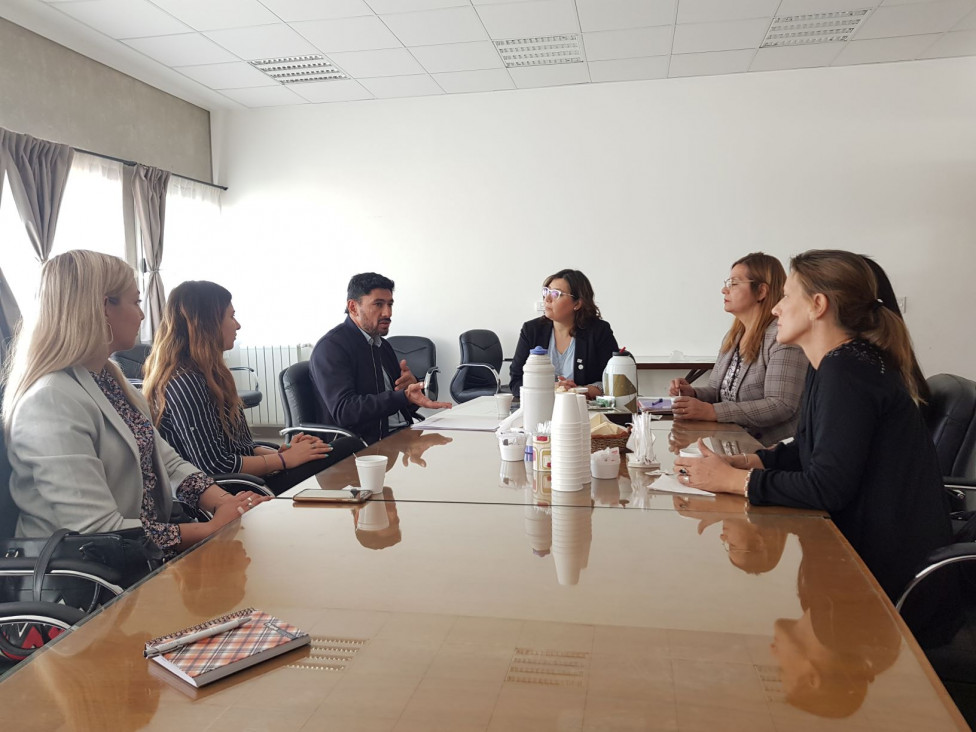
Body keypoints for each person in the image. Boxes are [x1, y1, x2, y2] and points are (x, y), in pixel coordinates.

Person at [673, 249, 951, 600]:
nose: (776, 307)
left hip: (881, 581)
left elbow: (826, 488)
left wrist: (734, 481)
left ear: (818, 305)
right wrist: (746, 463)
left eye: (787, 296)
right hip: (863, 553)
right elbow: (808, 450)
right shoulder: (836, 364)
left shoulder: (848, 372)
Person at [2, 251, 270, 563]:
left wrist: (224, 501)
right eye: (136, 302)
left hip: (142, 551)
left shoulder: (110, 380)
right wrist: (211, 528)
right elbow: (99, 530)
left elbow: (167, 461)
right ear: (103, 307)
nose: (143, 316)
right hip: (92, 575)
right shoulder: (49, 400)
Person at [142, 281, 359, 495]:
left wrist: (287, 451)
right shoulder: (186, 382)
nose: (237, 325)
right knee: (348, 447)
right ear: (206, 323)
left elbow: (242, 447)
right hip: (232, 490)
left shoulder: (210, 374)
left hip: (247, 478)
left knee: (337, 448)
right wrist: (283, 460)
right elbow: (215, 467)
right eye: (231, 316)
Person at [670, 252, 807, 445]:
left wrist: (711, 411)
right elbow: (718, 391)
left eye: (734, 284)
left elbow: (781, 405)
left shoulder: (782, 336)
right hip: (732, 444)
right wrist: (693, 394)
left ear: (761, 291)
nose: (724, 290)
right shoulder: (734, 335)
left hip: (770, 452)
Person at [310, 272, 450, 445]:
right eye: (378, 304)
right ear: (353, 307)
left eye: (390, 304)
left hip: (401, 436)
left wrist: (411, 392)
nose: (388, 313)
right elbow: (345, 411)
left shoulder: (382, 346)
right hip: (365, 447)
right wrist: (402, 397)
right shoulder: (331, 348)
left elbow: (396, 405)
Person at [509, 269, 618, 400]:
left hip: (584, 409)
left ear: (577, 303)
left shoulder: (598, 331)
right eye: (546, 291)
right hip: (540, 407)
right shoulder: (531, 330)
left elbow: (612, 381)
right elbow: (516, 381)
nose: (547, 298)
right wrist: (551, 387)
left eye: (556, 294)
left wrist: (580, 391)